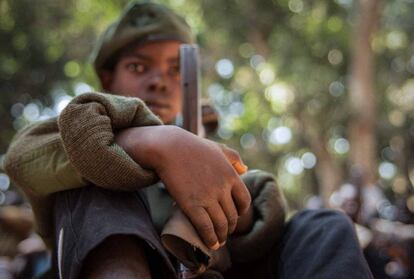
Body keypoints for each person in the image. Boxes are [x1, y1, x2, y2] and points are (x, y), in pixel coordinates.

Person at [4, 2, 373, 279]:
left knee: (323, 226)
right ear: (107, 80)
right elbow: (22, 159)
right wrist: (153, 143)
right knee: (93, 193)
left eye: (175, 70)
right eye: (137, 66)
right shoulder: (75, 128)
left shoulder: (212, 151)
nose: (159, 81)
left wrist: (229, 209)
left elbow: (262, 227)